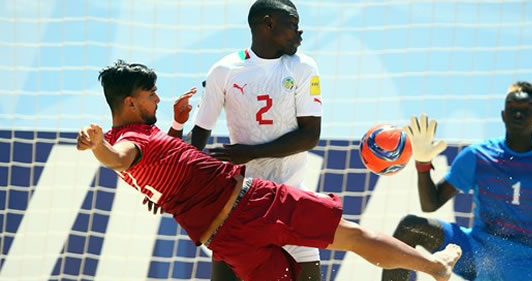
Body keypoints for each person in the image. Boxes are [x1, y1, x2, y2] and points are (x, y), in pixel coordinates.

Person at [77, 60, 462, 281]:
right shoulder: (126, 141)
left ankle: (432, 266)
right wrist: (99, 147)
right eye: (150, 95)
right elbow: (118, 156)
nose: (158, 97)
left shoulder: (143, 134)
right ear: (129, 101)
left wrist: (177, 126)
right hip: (252, 203)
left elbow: (158, 160)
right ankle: (433, 266)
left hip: (225, 237)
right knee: (354, 235)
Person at [381, 82, 532, 281]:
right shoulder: (478, 155)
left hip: (531, 269)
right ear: (503, 114)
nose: (518, 112)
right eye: (512, 106)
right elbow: (430, 204)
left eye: (526, 108)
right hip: (476, 253)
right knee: (409, 227)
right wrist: (423, 165)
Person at [168, 0, 324, 279]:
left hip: (292, 203)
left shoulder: (304, 67)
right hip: (239, 208)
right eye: (292, 25)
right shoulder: (224, 70)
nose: (299, 33)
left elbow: (310, 136)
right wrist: (166, 181)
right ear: (268, 23)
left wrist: (251, 152)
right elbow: (198, 139)